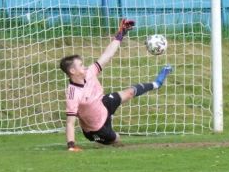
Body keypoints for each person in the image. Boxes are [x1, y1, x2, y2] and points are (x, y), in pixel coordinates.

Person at [59, 19, 172, 151]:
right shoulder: (73, 94)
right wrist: (71, 146)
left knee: (129, 92)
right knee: (116, 140)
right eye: (81, 65)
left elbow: (107, 55)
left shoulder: (90, 72)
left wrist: (120, 34)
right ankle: (108, 135)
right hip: (96, 129)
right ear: (72, 71)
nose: (84, 67)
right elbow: (70, 123)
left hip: (103, 104)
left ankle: (156, 83)